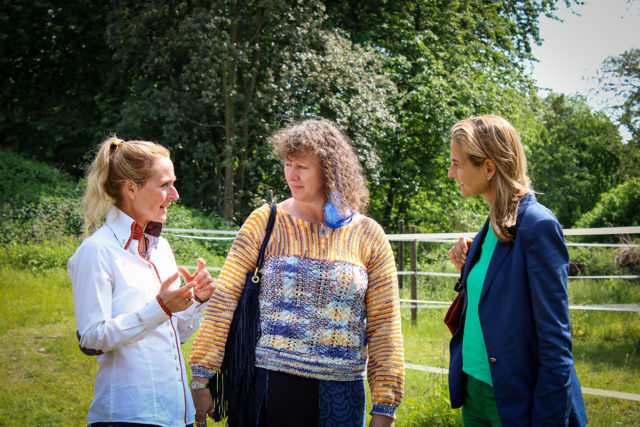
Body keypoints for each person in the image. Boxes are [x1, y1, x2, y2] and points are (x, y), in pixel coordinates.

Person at [189, 118, 404, 427]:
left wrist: (385, 406)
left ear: (330, 171)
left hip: (340, 396)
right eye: (288, 164)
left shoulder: (368, 235)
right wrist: (201, 376)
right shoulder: (265, 222)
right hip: (266, 389)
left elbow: (386, 326)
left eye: (302, 166)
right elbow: (224, 302)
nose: (292, 174)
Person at [445, 115, 588, 426]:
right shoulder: (492, 223)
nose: (450, 172)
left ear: (488, 167)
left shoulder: (538, 225)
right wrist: (466, 270)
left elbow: (556, 341)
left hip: (515, 400)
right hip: (474, 392)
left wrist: (549, 419)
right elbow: (499, 300)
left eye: (457, 163)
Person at [68, 136, 216, 427]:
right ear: (131, 188)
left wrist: (195, 302)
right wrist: (160, 307)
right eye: (164, 185)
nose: (175, 194)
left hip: (176, 414)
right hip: (128, 416)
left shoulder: (162, 248)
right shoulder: (96, 251)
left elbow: (175, 335)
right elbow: (91, 337)